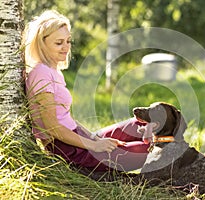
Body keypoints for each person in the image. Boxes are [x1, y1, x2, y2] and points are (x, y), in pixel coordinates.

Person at [23, 10, 150, 174]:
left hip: (77, 137)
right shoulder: (41, 73)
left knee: (141, 124)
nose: (66, 47)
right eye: (59, 43)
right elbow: (52, 128)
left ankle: (169, 146)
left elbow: (67, 118)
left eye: (68, 41)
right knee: (151, 151)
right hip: (69, 151)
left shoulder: (53, 70)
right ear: (42, 43)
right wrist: (95, 145)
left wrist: (95, 138)